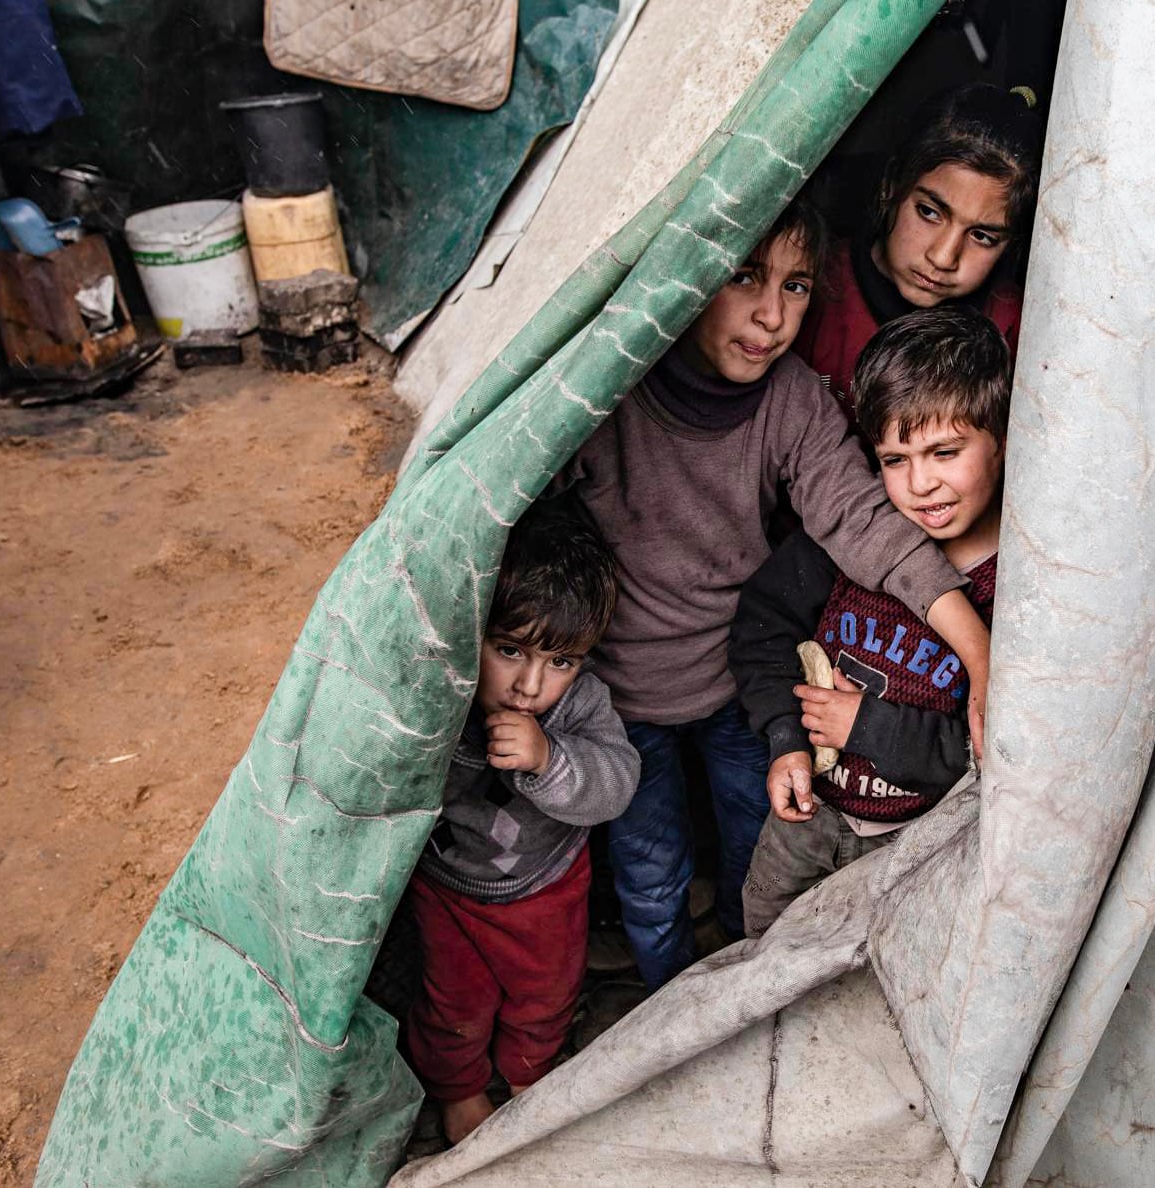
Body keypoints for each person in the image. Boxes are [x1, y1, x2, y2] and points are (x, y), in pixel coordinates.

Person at [553, 201, 992, 989]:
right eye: (744, 278)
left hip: (741, 692)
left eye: (795, 287)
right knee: (651, 877)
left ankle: (735, 997)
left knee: (757, 852)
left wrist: (979, 652)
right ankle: (666, 1009)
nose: (772, 314)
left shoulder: (792, 402)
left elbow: (861, 522)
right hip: (618, 699)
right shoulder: (600, 397)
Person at [731, 305, 1010, 936]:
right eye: (894, 459)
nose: (921, 485)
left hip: (911, 844)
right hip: (803, 820)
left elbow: (984, 756)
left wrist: (869, 727)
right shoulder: (852, 541)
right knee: (763, 946)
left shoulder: (1019, 589)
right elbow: (761, 630)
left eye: (945, 451)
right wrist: (785, 743)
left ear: (1005, 439)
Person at [404, 508, 639, 1146]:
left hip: (547, 888)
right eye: (509, 651)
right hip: (447, 888)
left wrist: (548, 758)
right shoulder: (438, 695)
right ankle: (459, 1089)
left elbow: (618, 781)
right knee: (454, 999)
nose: (530, 686)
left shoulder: (581, 704)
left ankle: (530, 1079)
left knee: (546, 994)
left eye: (560, 662)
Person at [794, 82, 1042, 421]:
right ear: (891, 185)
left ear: (1011, 244)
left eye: (982, 236)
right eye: (929, 212)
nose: (943, 258)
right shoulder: (813, 284)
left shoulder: (1016, 329)